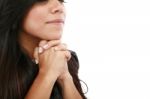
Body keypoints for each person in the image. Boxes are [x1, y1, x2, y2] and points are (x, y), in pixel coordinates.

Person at [0, 0, 87, 98]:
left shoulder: (67, 58)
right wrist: (47, 74)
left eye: (61, 0)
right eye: (42, 0)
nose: (59, 8)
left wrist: (66, 78)